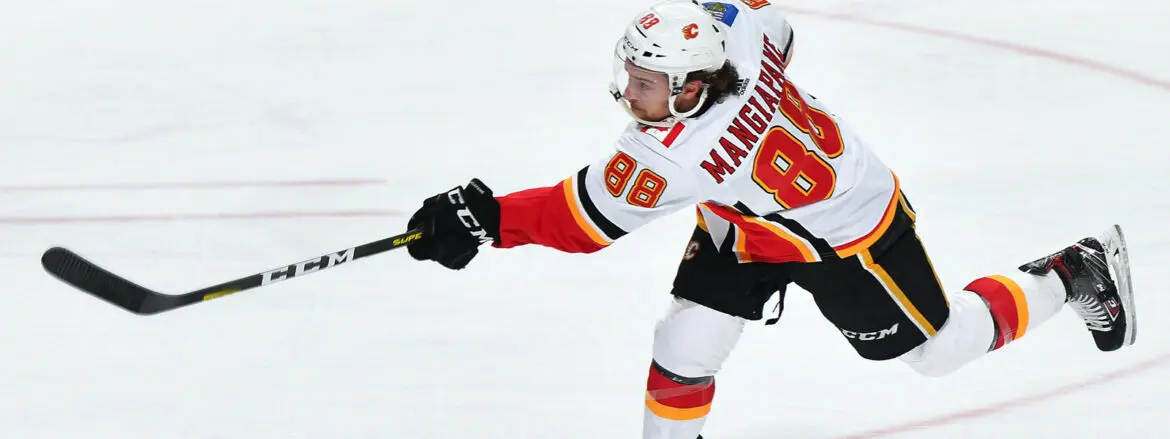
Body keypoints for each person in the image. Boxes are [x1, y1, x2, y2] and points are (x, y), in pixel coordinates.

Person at [402, 1, 1138, 438]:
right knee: (683, 341)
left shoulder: (676, 154)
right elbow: (767, 24)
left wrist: (483, 218)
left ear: (691, 88)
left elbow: (580, 220)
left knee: (937, 352)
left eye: (648, 82)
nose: (631, 91)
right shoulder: (740, 39)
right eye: (631, 73)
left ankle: (1070, 271)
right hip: (750, 222)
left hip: (850, 234)